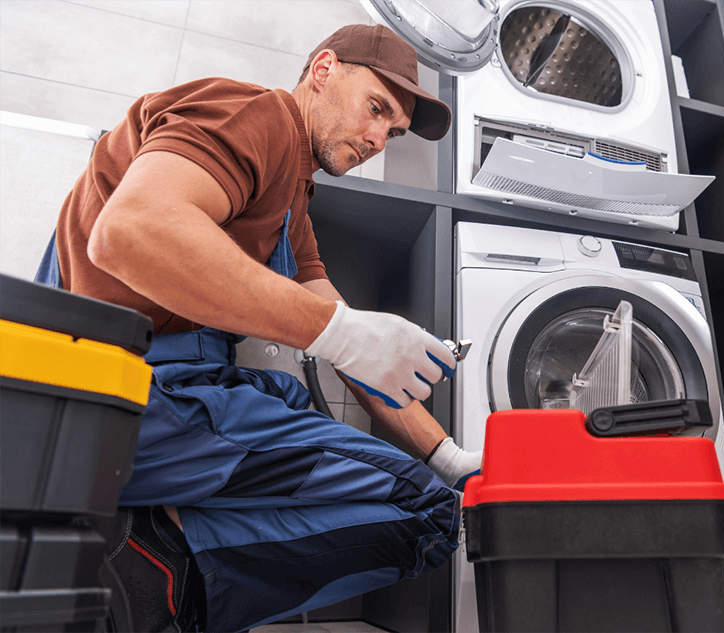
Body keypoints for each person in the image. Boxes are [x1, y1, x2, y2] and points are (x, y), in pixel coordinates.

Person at [36, 24, 481, 633]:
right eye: (376, 108)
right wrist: (343, 334)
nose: (380, 137)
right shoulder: (256, 114)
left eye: (395, 131)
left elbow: (353, 349)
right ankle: (149, 569)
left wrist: (453, 458)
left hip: (152, 403)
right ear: (322, 71)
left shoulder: (294, 203)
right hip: (123, 398)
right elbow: (131, 231)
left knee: (417, 481)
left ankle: (156, 559)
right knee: (425, 511)